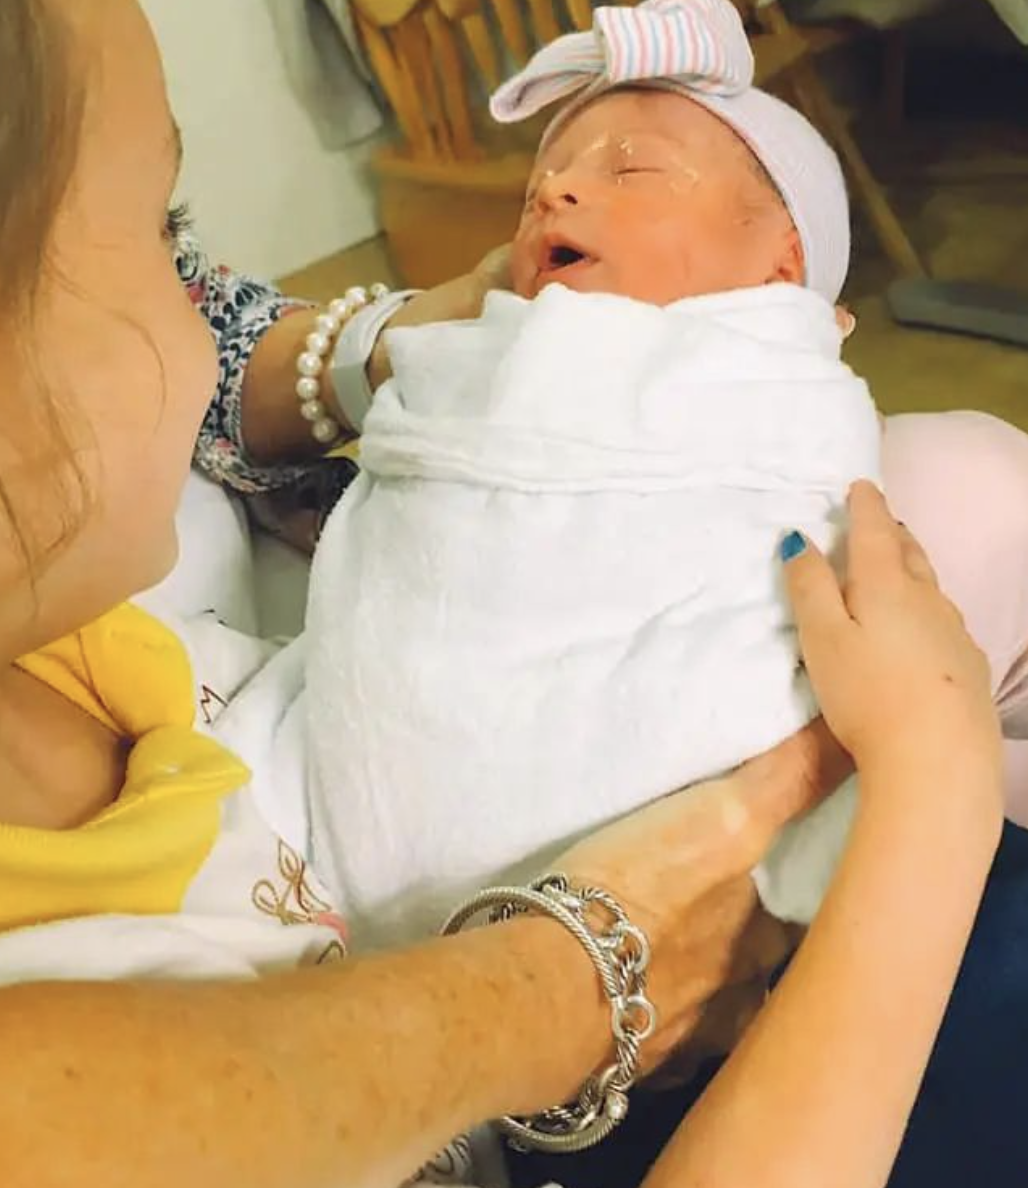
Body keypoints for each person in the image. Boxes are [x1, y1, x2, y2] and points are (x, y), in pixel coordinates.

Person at [0, 5, 1018, 1188]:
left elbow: (257, 374)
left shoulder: (107, 646)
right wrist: (932, 800)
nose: (215, 313)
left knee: (968, 482)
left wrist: (410, 377)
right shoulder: (107, 968)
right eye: (155, 233)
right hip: (726, 1031)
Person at [304, 0, 881, 944]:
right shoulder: (495, 353)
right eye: (542, 183)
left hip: (677, 768)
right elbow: (419, 488)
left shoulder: (768, 385)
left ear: (784, 264)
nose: (555, 196)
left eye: (632, 170)